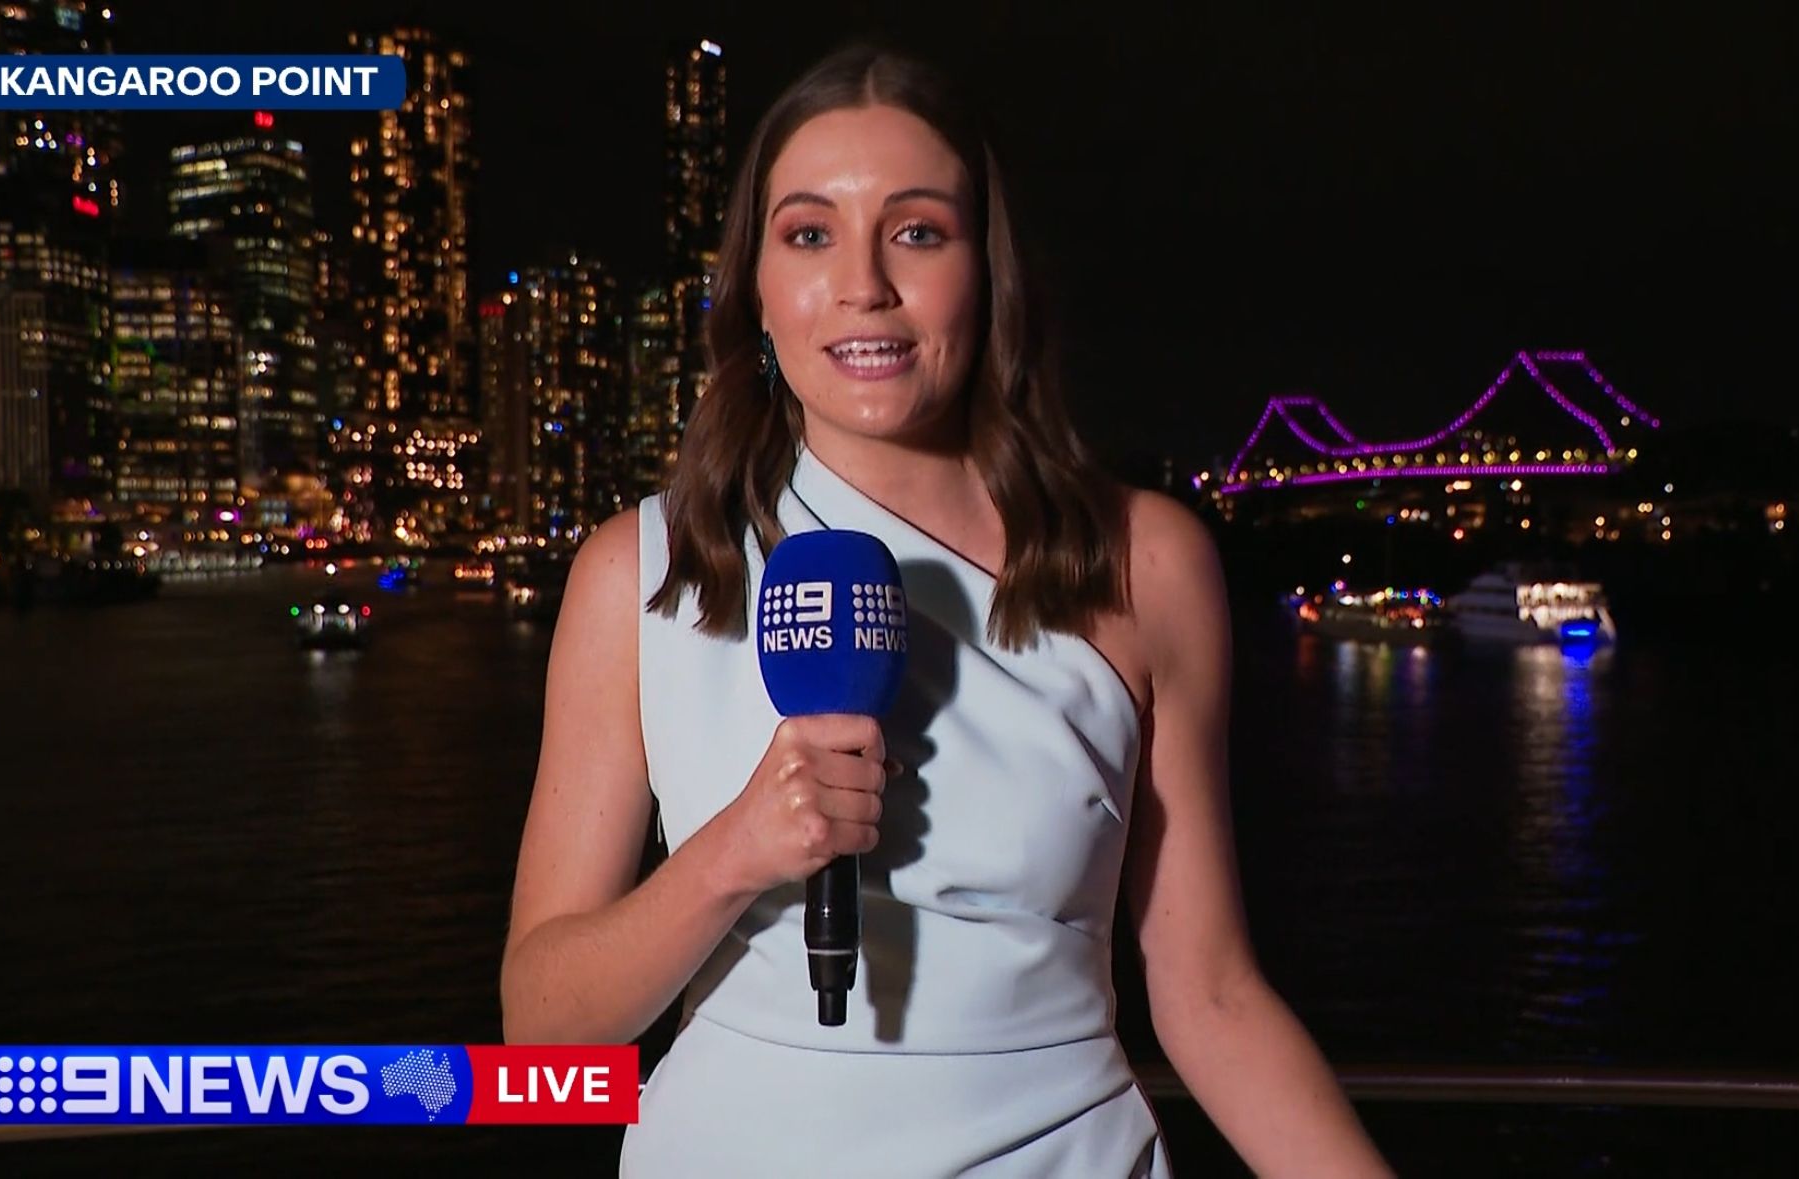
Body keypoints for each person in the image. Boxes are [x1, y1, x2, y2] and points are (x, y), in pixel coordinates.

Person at [501, 41, 1393, 1178]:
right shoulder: (639, 572)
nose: (863, 284)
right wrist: (734, 853)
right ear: (756, 288)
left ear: (989, 272)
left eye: (917, 232)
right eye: (810, 235)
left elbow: (1212, 995)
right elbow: (542, 1030)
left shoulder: (1145, 564)